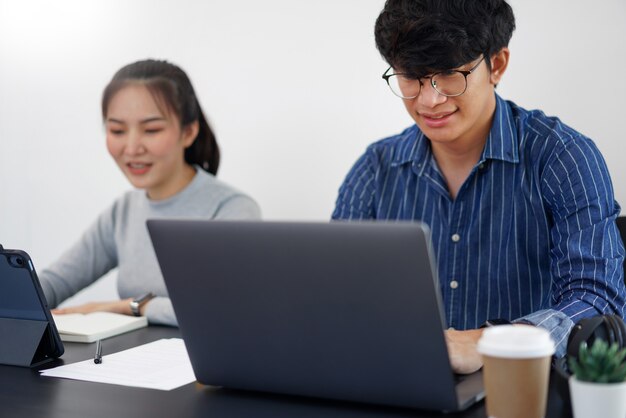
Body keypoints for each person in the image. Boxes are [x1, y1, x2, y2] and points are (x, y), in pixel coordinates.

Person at [332, 0, 626, 374]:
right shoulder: (375, 170)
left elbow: (598, 304)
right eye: (411, 76)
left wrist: (493, 344)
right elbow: (337, 299)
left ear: (497, 65)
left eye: (449, 75)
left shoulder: (563, 158)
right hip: (402, 386)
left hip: (527, 393)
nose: (429, 99)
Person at [40, 59, 261, 326]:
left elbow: (228, 309)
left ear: (188, 132)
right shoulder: (123, 211)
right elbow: (53, 283)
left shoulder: (231, 209)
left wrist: (130, 306)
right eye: (117, 130)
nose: (132, 148)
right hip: (130, 362)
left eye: (152, 130)